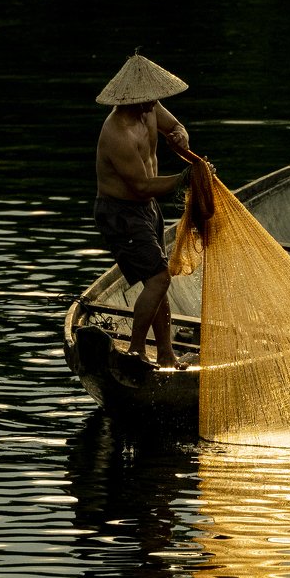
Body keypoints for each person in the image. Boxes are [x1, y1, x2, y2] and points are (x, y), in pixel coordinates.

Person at [94, 51, 212, 369]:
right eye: (147, 101)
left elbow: (175, 126)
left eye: (154, 99)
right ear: (130, 99)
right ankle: (135, 352)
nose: (152, 105)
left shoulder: (149, 107)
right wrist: (187, 177)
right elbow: (141, 186)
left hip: (147, 208)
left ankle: (165, 354)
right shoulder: (116, 133)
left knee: (156, 279)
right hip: (121, 212)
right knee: (159, 279)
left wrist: (179, 138)